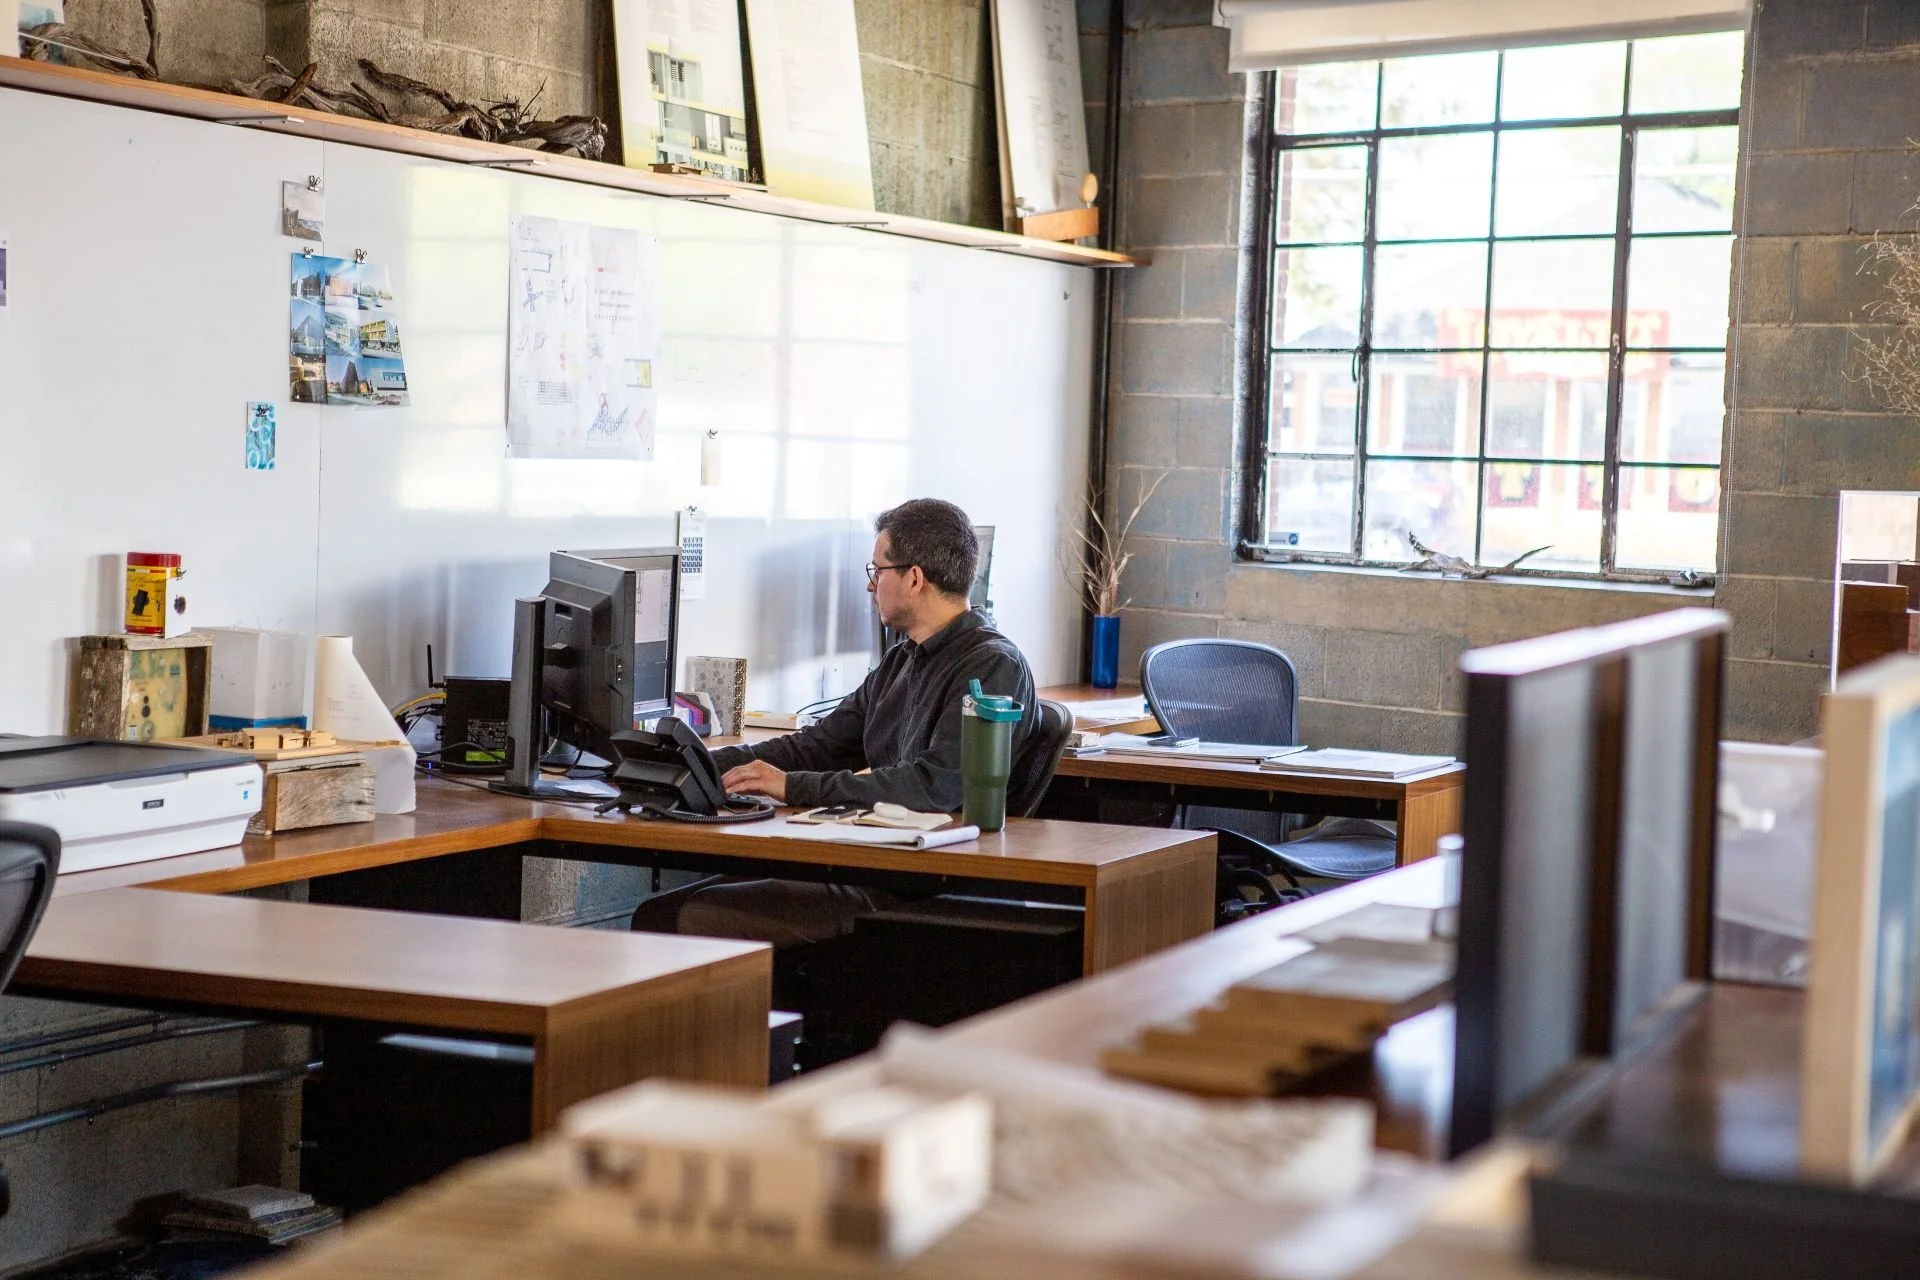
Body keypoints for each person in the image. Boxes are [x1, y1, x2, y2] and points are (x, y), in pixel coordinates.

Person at [630, 498, 1036, 948]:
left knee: (676, 918)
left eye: (877, 571)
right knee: (660, 910)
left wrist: (793, 786)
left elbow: (931, 788)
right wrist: (694, 762)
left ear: (914, 578)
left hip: (920, 886)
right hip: (874, 865)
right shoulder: (902, 660)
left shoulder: (992, 666)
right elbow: (819, 745)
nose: (870, 585)